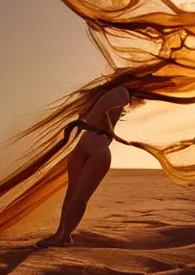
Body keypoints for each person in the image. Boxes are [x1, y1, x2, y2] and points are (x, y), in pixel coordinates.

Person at [35, 85, 130, 247]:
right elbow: (100, 116)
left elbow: (85, 118)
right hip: (96, 148)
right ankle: (63, 235)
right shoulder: (122, 92)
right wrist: (110, 130)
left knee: (74, 194)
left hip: (83, 146)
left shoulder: (96, 97)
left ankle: (62, 234)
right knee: (77, 197)